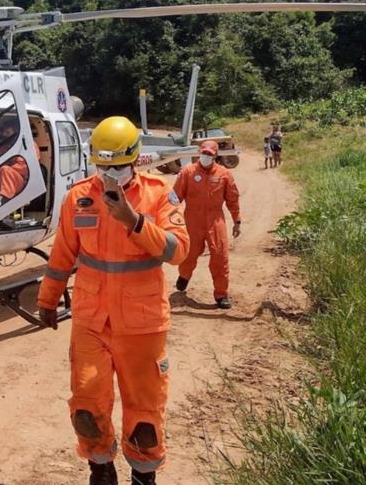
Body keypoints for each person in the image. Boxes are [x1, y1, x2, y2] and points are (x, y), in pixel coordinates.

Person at [37, 116, 189, 485]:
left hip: (142, 321)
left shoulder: (157, 194)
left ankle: (143, 474)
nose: (110, 174)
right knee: (87, 403)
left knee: (144, 410)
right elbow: (62, 254)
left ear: (135, 159)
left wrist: (134, 221)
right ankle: (100, 468)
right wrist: (48, 299)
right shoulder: (79, 197)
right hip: (90, 319)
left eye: (117, 166)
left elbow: (178, 251)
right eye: (103, 166)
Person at [173, 140, 241, 309]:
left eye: (210, 154)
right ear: (199, 152)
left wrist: (237, 220)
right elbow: (174, 198)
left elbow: (232, 198)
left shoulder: (224, 174)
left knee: (220, 255)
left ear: (215, 155)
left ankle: (221, 294)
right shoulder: (187, 172)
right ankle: (184, 275)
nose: (206, 156)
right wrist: (170, 219)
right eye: (204, 153)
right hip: (192, 219)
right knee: (189, 253)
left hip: (215, 219)